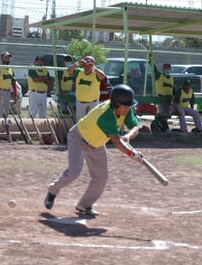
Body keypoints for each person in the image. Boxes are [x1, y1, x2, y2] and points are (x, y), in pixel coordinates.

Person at [44, 84, 143, 216]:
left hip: (96, 144)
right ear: (116, 104)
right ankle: (52, 190)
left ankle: (84, 205)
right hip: (79, 139)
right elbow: (115, 141)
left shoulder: (126, 109)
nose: (128, 109)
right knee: (74, 173)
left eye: (129, 105)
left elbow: (136, 127)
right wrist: (132, 154)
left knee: (101, 177)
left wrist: (128, 136)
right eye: (125, 106)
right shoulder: (105, 115)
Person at [67, 55, 106, 121]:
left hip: (93, 102)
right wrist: (77, 63)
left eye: (89, 66)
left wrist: (94, 68)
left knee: (93, 122)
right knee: (80, 122)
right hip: (80, 102)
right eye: (85, 65)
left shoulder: (95, 73)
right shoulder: (79, 72)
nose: (87, 67)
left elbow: (103, 77)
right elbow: (69, 71)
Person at [0, 51, 18, 118]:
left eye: (8, 58)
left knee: (6, 111)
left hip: (8, 92)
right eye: (5, 57)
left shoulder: (10, 69)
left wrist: (15, 94)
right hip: (0, 91)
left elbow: (13, 82)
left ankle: (4, 127)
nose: (7, 59)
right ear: (1, 58)